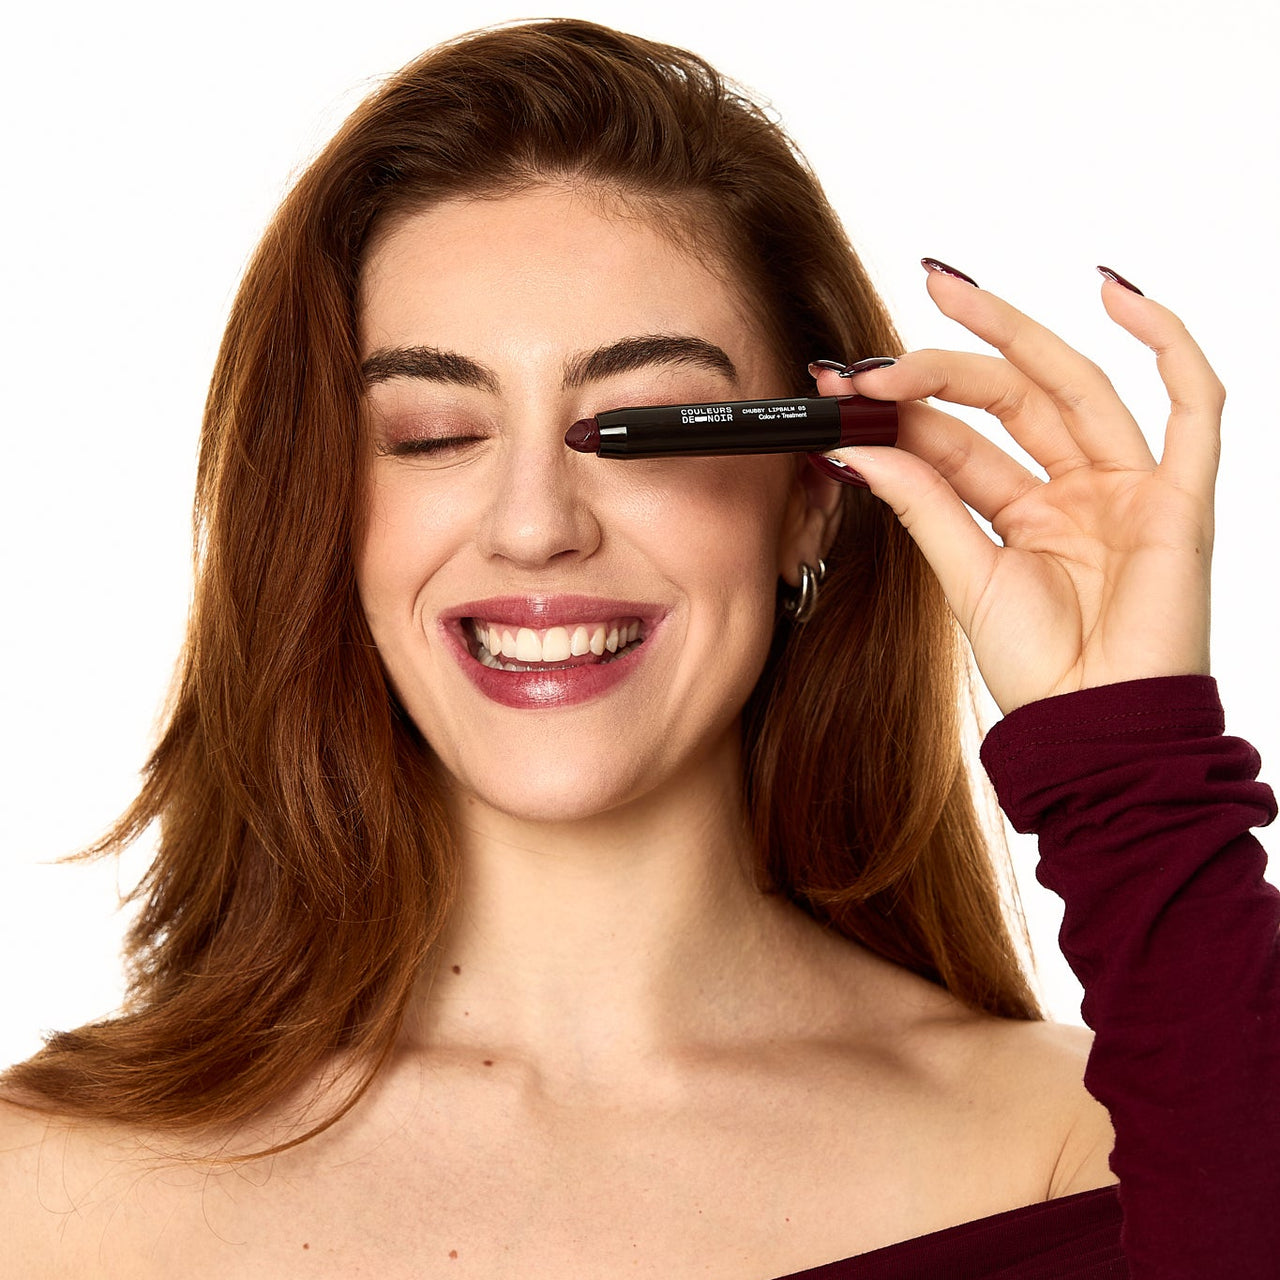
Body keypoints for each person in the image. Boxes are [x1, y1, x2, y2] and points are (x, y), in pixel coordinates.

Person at [1, 17, 1275, 1278]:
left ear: (815, 491)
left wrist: (1129, 765)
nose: (532, 525)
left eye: (647, 424)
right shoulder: (40, 1189)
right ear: (322, 512)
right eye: (436, 432)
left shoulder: (1097, 1153)